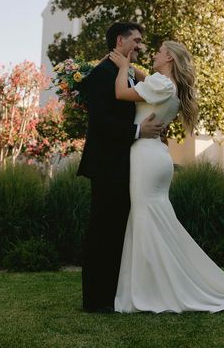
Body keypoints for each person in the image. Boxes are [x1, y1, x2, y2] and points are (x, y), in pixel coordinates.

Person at [109, 41, 224, 313]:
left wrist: (124, 67)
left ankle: (150, 288)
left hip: (146, 157)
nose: (154, 54)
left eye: (160, 51)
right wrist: (134, 69)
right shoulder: (163, 84)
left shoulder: (161, 84)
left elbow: (120, 92)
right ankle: (156, 282)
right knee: (157, 219)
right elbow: (144, 78)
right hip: (156, 156)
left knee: (145, 216)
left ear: (170, 59)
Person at [77, 22, 164, 313]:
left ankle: (112, 296)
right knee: (102, 231)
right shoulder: (102, 74)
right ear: (120, 40)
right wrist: (138, 131)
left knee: (115, 232)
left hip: (123, 166)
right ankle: (95, 300)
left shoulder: (123, 75)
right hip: (106, 166)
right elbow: (102, 123)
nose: (140, 46)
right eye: (136, 40)